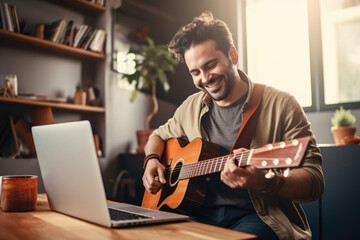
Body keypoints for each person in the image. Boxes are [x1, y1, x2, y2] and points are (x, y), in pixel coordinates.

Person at [142, 11, 324, 240]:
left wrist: (268, 181)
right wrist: (151, 161)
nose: (205, 78)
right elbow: (156, 136)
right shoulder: (190, 106)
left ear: (233, 55)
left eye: (210, 65)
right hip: (196, 213)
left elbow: (314, 181)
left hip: (258, 217)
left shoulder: (282, 104)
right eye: (195, 72)